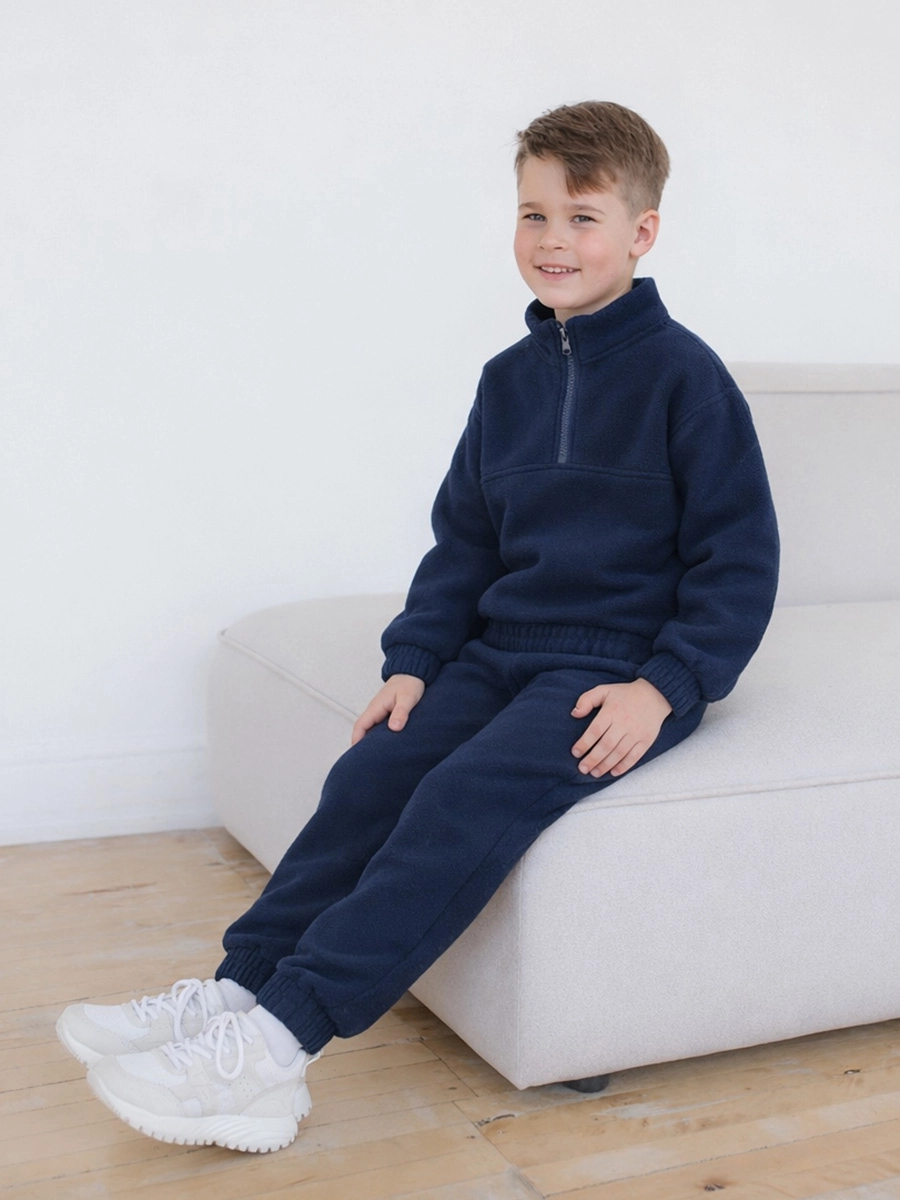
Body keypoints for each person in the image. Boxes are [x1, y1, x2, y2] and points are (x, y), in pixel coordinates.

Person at [56, 100, 779, 1154]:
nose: (552, 240)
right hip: (496, 655)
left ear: (642, 232)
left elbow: (740, 561)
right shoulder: (506, 383)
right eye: (533, 215)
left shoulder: (687, 379)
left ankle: (277, 1048)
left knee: (459, 797)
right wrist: (415, 661)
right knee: (374, 772)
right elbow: (465, 545)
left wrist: (665, 686)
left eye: (582, 218)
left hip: (610, 675)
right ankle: (238, 990)